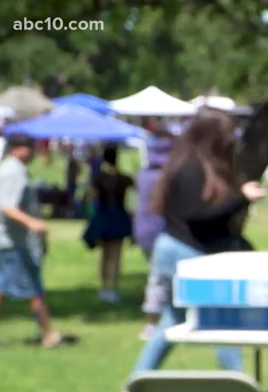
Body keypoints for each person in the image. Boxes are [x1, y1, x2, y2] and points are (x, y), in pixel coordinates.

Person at [114, 110, 267, 392]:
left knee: (172, 321)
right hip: (186, 253)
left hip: (177, 250)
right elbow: (199, 216)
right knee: (220, 320)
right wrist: (242, 197)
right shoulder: (192, 169)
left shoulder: (188, 164)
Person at [0, 133, 73, 348]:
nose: (34, 152)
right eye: (31, 148)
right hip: (12, 242)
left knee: (11, 288)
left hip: (13, 241)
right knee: (33, 288)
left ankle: (48, 333)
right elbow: (6, 206)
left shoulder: (14, 169)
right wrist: (32, 223)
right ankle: (48, 334)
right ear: (19, 148)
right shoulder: (12, 171)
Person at [133, 128, 174, 340]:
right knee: (158, 279)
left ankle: (166, 318)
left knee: (159, 276)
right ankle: (150, 326)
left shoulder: (143, 174)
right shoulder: (164, 177)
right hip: (161, 231)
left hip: (142, 231)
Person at [82, 145, 135, 304]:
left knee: (104, 255)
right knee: (117, 255)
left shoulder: (98, 178)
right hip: (119, 215)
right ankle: (114, 287)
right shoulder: (125, 178)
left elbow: (90, 197)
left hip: (104, 216)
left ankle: (104, 287)